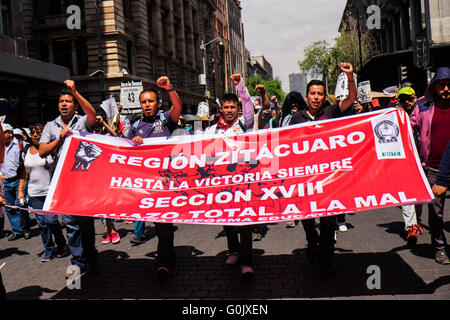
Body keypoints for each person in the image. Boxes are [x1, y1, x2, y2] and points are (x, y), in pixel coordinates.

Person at [289, 62, 357, 276]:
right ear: (306, 96)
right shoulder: (296, 118)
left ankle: (325, 259)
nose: (316, 97)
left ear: (324, 96)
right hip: (306, 178)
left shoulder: (332, 112)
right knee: (307, 216)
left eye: (320, 94)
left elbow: (351, 99)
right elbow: (287, 146)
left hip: (329, 178)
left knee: (328, 220)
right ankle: (311, 239)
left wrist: (350, 76)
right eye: (312, 94)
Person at [39, 79, 100, 274]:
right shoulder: (51, 126)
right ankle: (78, 261)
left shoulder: (81, 121)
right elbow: (42, 151)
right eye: (61, 102)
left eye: (68, 101)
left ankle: (91, 255)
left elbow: (92, 115)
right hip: (64, 183)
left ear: (74, 105)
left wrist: (76, 92)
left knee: (86, 225)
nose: (64, 104)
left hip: (83, 183)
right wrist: (60, 138)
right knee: (72, 225)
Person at [126, 76, 182, 278]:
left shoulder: (165, 119)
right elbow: (124, 150)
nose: (147, 105)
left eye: (151, 101)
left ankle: (163, 261)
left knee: (163, 224)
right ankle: (170, 256)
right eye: (144, 102)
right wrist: (133, 142)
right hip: (145, 182)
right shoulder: (135, 126)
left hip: (165, 182)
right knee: (158, 223)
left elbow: (177, 105)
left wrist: (169, 88)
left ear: (157, 104)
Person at [204, 74, 256, 278]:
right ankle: (234, 251)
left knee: (244, 222)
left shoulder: (245, 124)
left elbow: (250, 105)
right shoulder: (211, 130)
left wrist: (240, 87)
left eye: (233, 107)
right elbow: (204, 154)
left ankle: (247, 261)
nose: (229, 110)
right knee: (228, 220)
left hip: (243, 181)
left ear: (238, 109)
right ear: (221, 110)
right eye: (226, 107)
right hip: (221, 182)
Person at [410, 67, 450, 264]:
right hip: (433, 168)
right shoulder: (423, 107)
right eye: (441, 85)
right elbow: (410, 128)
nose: (446, 89)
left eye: (449, 85)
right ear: (434, 87)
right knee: (435, 213)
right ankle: (439, 247)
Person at [18, 123, 68, 262]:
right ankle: (49, 250)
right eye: (33, 132)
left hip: (49, 191)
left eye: (38, 132)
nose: (35, 135)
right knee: (42, 224)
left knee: (51, 220)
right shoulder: (26, 151)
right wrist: (20, 192)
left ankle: (61, 243)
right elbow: (24, 174)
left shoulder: (50, 149)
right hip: (34, 194)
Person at [394, 86, 423, 244]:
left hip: (424, 160)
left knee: (421, 197)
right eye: (403, 99)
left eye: (409, 98)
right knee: (406, 195)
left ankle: (416, 222)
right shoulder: (396, 116)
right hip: (405, 161)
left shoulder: (424, 112)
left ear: (415, 97)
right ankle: (411, 227)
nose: (407, 102)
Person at [1, 123, 30, 240]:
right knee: (9, 207)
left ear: (9, 133)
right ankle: (17, 230)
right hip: (5, 182)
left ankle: (25, 228)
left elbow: (24, 164)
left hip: (18, 180)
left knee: (20, 205)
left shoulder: (18, 146)